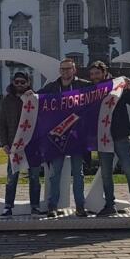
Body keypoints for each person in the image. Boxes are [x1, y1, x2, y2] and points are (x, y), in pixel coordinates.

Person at [87, 61, 130, 217]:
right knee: (106, 173)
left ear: (104, 73)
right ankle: (109, 205)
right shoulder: (92, 91)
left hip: (119, 135)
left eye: (97, 73)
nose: (94, 77)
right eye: (92, 74)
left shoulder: (117, 85)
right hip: (103, 136)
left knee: (129, 170)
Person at [39, 58, 92, 217]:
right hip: (58, 136)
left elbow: (101, 90)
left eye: (68, 69)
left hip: (77, 136)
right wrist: (28, 93)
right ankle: (52, 207)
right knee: (55, 174)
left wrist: (118, 82)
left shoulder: (84, 85)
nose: (65, 72)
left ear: (74, 70)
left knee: (78, 174)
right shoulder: (52, 87)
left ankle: (80, 207)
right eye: (62, 69)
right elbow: (37, 98)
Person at [0, 72, 43, 215]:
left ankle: (35, 206)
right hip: (14, 144)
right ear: (13, 82)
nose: (19, 85)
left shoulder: (35, 98)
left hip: (32, 144)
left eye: (22, 82)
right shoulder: (7, 100)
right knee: (12, 177)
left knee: (34, 177)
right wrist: (4, 143)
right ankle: (8, 206)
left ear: (28, 83)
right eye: (16, 82)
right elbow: (1, 123)